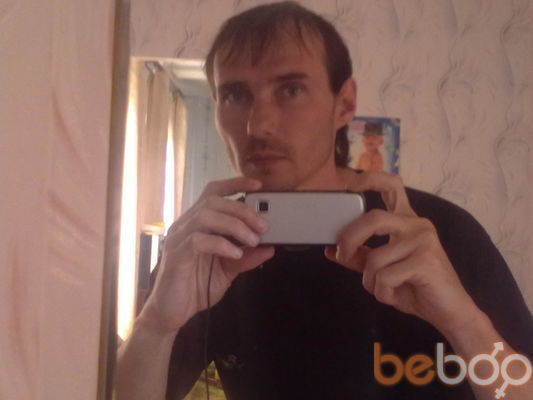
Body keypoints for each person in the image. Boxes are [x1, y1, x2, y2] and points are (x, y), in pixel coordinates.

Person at [116, 2, 533, 399]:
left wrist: (463, 322)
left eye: (291, 89)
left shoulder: (440, 235)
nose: (258, 125)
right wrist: (155, 326)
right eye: (235, 95)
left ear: (344, 103)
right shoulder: (210, 249)